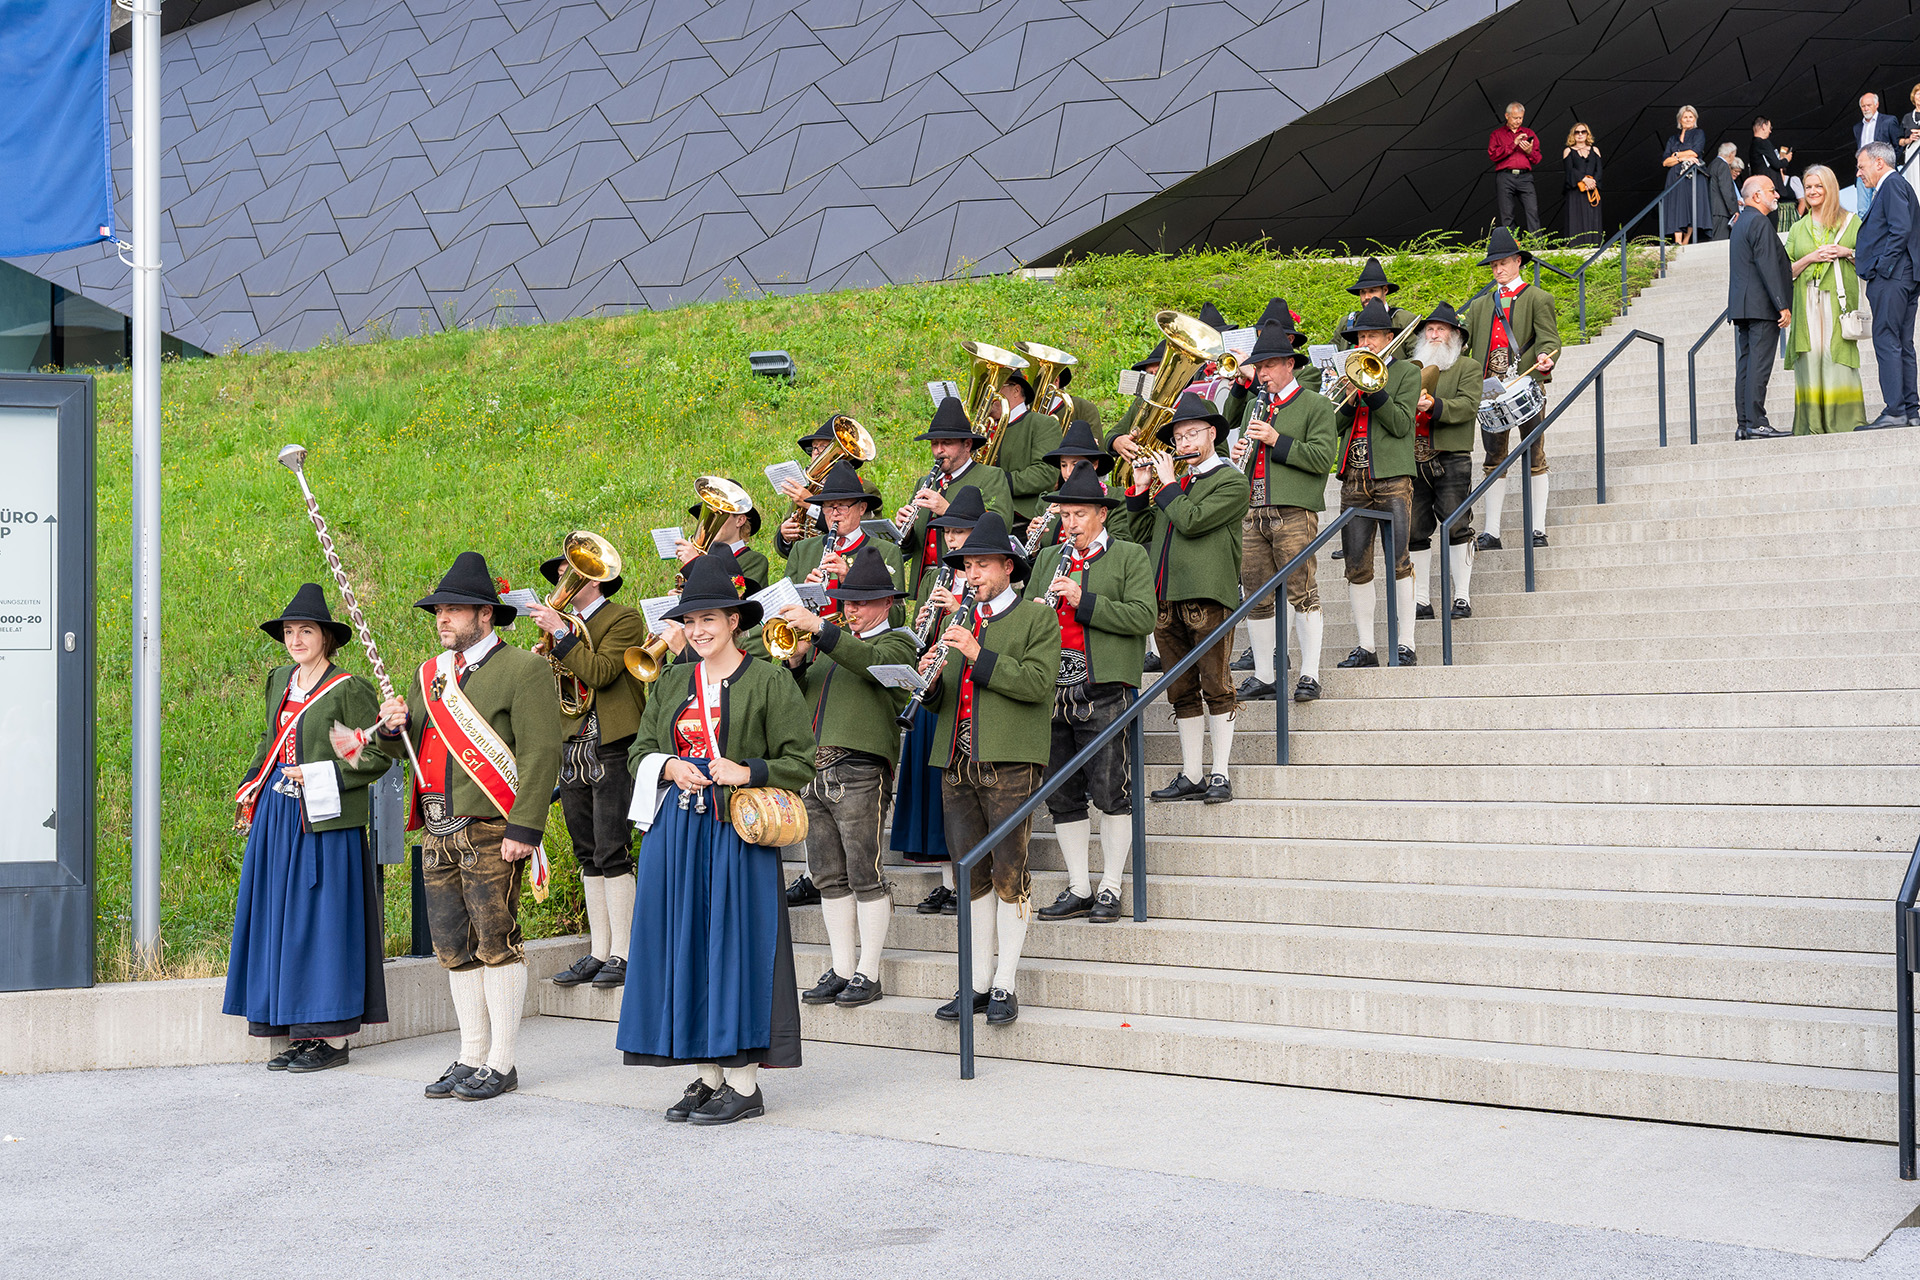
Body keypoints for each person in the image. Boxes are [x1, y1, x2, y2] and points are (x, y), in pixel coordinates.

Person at [614, 553, 814, 1125]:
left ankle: (745, 1085)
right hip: (677, 831)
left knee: (737, 947)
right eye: (691, 620)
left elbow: (800, 760)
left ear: (734, 621)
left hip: (737, 835)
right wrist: (669, 766)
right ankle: (708, 1076)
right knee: (687, 945)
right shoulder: (673, 679)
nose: (699, 630)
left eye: (711, 620)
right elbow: (637, 751)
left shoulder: (770, 680)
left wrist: (746, 770)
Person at [376, 553, 567, 1102]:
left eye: (455, 610)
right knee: (452, 948)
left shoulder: (524, 671)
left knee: (496, 942)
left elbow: (540, 753)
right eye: (439, 610)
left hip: (491, 828)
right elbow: (407, 743)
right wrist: (392, 728)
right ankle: (470, 1054)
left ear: (486, 614)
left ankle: (501, 1062)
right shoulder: (429, 675)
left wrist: (525, 828)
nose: (443, 619)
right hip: (437, 828)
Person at [224, 584, 391, 1073]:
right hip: (279, 817)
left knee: (322, 922)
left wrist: (323, 773)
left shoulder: (349, 689)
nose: (296, 639)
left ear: (326, 638)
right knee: (281, 919)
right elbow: (270, 738)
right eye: (290, 632)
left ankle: (333, 1038)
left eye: (306, 631)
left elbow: (373, 753)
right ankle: (297, 1030)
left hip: (327, 821)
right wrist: (250, 786)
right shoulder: (281, 680)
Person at [917, 513, 1061, 1026]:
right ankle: (976, 983)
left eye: (981, 565)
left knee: (1009, 873)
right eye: (966, 566)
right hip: (955, 763)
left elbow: (1037, 684)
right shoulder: (959, 622)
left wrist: (977, 653)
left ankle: (1005, 983)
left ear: (1007, 566)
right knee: (970, 877)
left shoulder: (1036, 618)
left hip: (1009, 763)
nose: (971, 574)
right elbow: (948, 700)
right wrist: (928, 684)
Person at [776, 546, 915, 1009]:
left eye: (860, 601)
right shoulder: (830, 649)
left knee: (865, 874)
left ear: (886, 603)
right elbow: (795, 702)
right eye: (846, 601)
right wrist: (796, 661)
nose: (850, 608)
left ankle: (868, 972)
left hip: (859, 769)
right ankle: (841, 968)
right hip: (815, 772)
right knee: (828, 877)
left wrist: (822, 629)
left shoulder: (898, 642)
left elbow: (871, 667)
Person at [1023, 467, 1155, 923]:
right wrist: (1035, 617)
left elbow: (1143, 617)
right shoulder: (1047, 559)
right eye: (1064, 515)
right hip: (1051, 688)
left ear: (1102, 513)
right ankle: (1080, 886)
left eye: (1079, 514)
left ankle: (1112, 887)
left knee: (1110, 790)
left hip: (1102, 687)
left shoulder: (1129, 555)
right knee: (1061, 793)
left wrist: (1085, 601)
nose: (1070, 523)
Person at [1115, 392, 1250, 802]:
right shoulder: (1172, 486)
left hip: (1207, 597)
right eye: (1179, 436)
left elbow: (1191, 522)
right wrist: (1140, 491)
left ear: (1212, 434)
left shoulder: (1231, 481)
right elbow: (1138, 537)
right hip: (1165, 598)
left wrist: (1168, 485)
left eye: (1193, 434)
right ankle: (1192, 773)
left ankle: (1221, 774)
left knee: (1216, 684)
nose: (1185, 442)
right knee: (1180, 690)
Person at [529, 547, 649, 991]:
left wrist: (561, 635)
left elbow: (599, 673)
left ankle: (625, 952)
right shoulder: (567, 628)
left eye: (569, 574)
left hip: (612, 743)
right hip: (571, 744)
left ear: (593, 580)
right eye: (562, 574)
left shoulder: (623, 618)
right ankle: (600, 950)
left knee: (611, 850)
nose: (561, 582)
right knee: (587, 852)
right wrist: (543, 654)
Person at [1228, 325, 1338, 703]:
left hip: (1293, 510)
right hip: (1252, 511)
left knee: (1301, 591)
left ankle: (1310, 673)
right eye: (1259, 368)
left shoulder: (1316, 405)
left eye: (1271, 365)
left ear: (1290, 365)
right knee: (1255, 596)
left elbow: (1324, 459)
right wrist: (1238, 458)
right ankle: (1264, 674)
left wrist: (1276, 440)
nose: (1263, 374)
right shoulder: (1254, 407)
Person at [893, 484, 988, 913]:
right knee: (933, 793)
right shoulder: (936, 575)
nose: (952, 540)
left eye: (960, 533)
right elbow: (923, 630)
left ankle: (968, 877)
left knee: (958, 793)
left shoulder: (994, 579)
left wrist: (955, 607)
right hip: (934, 688)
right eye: (947, 533)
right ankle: (948, 881)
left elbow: (993, 632)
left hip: (966, 694)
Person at [1329, 298, 1421, 669]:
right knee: (1356, 566)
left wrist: (1375, 390)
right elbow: (1332, 426)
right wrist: (1351, 399)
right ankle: (1366, 646)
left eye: (1373, 335)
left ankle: (1407, 643)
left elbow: (1401, 424)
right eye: (1361, 336)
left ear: (1389, 337)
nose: (1365, 342)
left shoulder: (1408, 373)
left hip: (1393, 478)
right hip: (1353, 477)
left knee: (1399, 561)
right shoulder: (1348, 374)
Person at [1465, 227, 1561, 550]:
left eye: (1503, 263)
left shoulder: (1538, 298)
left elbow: (1550, 340)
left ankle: (1538, 529)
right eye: (1493, 265)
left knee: (1535, 455)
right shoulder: (1479, 306)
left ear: (1518, 261)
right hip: (1490, 390)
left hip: (1525, 385)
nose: (1498, 270)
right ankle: (1491, 531)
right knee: (1493, 458)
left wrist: (1547, 358)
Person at [896, 396, 1015, 600]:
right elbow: (914, 545)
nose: (939, 450)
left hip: (966, 579)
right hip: (928, 581)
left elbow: (1001, 527)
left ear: (967, 444)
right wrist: (904, 532)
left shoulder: (990, 477)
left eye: (947, 443)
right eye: (934, 443)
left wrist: (948, 510)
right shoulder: (924, 482)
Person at [1407, 303, 1481, 622]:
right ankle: (1421, 599)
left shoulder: (1468, 367)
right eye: (1430, 330)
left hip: (1450, 456)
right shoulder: (1408, 368)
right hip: (1412, 457)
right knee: (1414, 530)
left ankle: (1461, 596)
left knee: (1457, 525)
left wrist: (1435, 405)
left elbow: (1467, 406)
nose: (1434, 334)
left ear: (1455, 335)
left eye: (1441, 330)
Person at [1785, 164, 1867, 434]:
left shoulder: (1851, 222)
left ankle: (1844, 420)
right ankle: (1812, 425)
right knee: (1809, 359)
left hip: (1837, 301)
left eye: (1818, 186)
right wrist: (1811, 257)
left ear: (1830, 188)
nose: (1812, 191)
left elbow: (1866, 261)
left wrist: (1845, 251)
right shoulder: (1798, 228)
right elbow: (1786, 269)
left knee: (1836, 358)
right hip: (1805, 300)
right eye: (1808, 187)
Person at [1853, 141, 1920, 428]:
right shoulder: (1898, 185)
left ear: (1879, 162)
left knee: (1887, 339)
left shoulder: (1891, 185)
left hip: (1892, 278)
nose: (1858, 173)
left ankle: (1895, 410)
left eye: (1861, 166)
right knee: (1902, 342)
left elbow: (1900, 228)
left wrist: (1883, 266)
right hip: (1904, 276)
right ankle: (1910, 410)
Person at [785, 459, 906, 612]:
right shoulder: (802, 549)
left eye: (842, 506)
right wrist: (805, 596)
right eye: (829, 506)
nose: (835, 514)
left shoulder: (886, 551)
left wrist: (850, 580)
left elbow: (897, 616)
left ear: (862, 508)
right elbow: (786, 607)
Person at [1727, 176, 1794, 440]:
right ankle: (1756, 422)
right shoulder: (1759, 222)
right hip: (1761, 307)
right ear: (1756, 196)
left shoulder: (1742, 222)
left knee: (1747, 365)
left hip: (1743, 306)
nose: (1777, 195)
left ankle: (1744, 424)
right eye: (1771, 191)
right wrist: (1782, 306)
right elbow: (1768, 266)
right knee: (1758, 367)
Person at [775, 416, 881, 559]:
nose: (817, 452)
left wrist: (810, 505)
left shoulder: (864, 489)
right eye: (814, 448)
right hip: (808, 562)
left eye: (825, 448)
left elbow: (863, 534)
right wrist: (785, 536)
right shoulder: (806, 487)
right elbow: (790, 546)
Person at [986, 371, 1065, 533]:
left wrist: (999, 481)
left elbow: (1046, 474)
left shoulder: (1042, 423)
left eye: (996, 387)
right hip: (981, 512)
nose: (989, 394)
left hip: (1021, 518)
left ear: (1016, 390)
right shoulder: (984, 427)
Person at [678, 485, 767, 594]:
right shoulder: (704, 556)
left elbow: (733, 596)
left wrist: (695, 564)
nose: (710, 524)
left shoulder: (754, 560)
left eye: (718, 515)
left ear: (740, 520)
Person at [1336, 260, 1418, 351]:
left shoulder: (1404, 320)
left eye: (1372, 291)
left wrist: (1392, 364)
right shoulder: (1347, 322)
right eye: (1363, 292)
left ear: (1385, 290)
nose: (1366, 297)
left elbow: (1417, 356)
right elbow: (1330, 353)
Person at [1487, 102, 1542, 231]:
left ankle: (1536, 246)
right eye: (1515, 118)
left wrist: (1529, 151)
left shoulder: (1529, 133)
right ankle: (1511, 246)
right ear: (1507, 116)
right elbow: (1493, 156)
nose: (1518, 121)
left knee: (1532, 211)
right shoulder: (1497, 134)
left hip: (1525, 177)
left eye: (1521, 118)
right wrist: (1513, 144)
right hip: (1505, 176)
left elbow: (1538, 158)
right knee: (1507, 214)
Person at [1660, 106, 1709, 245]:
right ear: (1680, 120)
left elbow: (1695, 152)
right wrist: (1681, 158)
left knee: (1691, 206)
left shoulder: (1698, 133)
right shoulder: (1672, 139)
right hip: (1675, 176)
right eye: (1685, 117)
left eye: (1691, 117)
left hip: (1691, 176)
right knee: (1676, 207)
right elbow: (1665, 162)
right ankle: (1677, 240)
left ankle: (1686, 240)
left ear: (1695, 119)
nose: (1688, 119)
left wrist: (1675, 155)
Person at [1855, 93, 1905, 218]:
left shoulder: (1888, 121)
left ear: (1876, 105)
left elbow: (1897, 144)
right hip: (1863, 174)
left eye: (1868, 105)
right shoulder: (1857, 127)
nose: (1866, 108)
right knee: (1863, 210)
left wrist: (1888, 164)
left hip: (1881, 170)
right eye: (1863, 106)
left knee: (1886, 207)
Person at [1563, 123, 1603, 247]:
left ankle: (1594, 245)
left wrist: (1593, 182)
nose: (1580, 134)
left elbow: (1599, 170)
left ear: (1587, 134)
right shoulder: (1568, 151)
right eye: (1577, 132)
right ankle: (1576, 246)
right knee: (1576, 218)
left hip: (1592, 189)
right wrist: (1584, 179)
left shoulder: (1595, 150)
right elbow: (1569, 170)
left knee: (1593, 218)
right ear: (1573, 135)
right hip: (1576, 190)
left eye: (1583, 132)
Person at [1708, 142, 1741, 241]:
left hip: (1713, 209)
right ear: (1731, 154)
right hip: (1721, 211)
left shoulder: (1712, 164)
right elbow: (1726, 190)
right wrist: (1734, 210)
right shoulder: (1723, 165)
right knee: (1720, 241)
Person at [1900, 85, 1920, 187]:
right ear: (1914, 96)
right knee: (1914, 183)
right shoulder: (1907, 117)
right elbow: (1898, 140)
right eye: (1918, 93)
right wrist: (1909, 139)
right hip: (1912, 153)